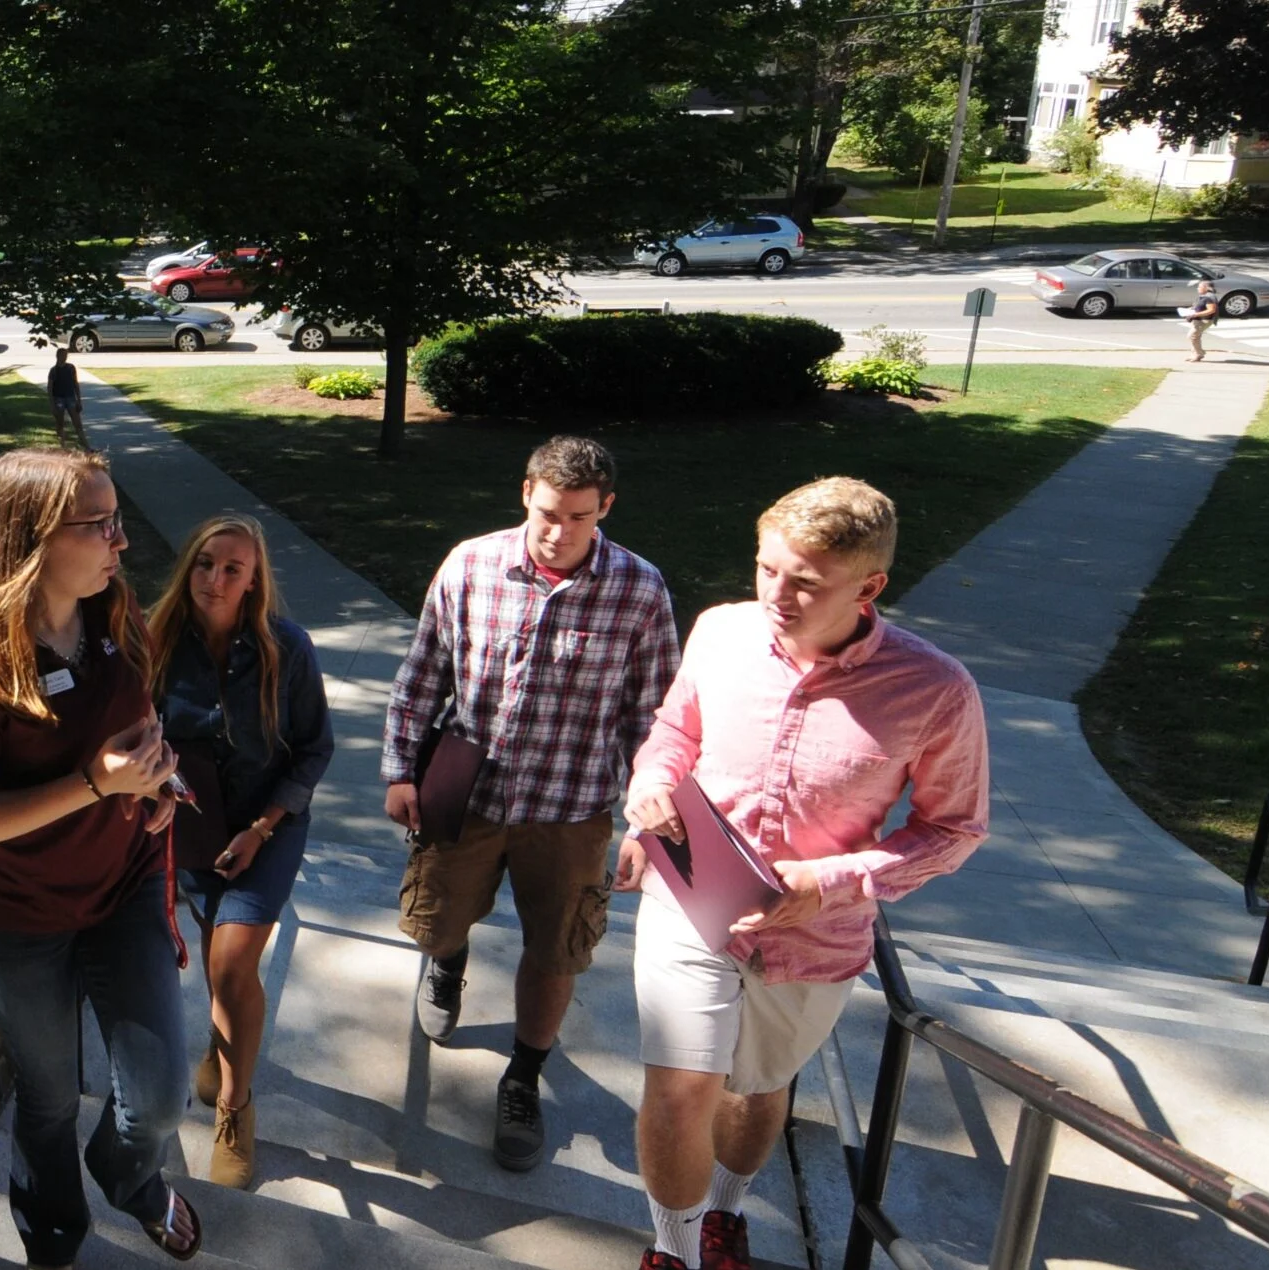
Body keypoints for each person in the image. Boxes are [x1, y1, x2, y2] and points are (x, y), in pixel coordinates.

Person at [618, 477, 989, 1270]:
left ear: (870, 586)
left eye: (804, 582)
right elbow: (673, 732)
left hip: (813, 938)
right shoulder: (720, 632)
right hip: (688, 900)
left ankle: (724, 1210)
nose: (775, 595)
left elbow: (954, 830)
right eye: (765, 569)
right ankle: (673, 1251)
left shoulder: (935, 690)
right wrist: (648, 786)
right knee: (681, 1087)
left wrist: (827, 882)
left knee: (754, 1090)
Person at [0, 447, 200, 1269]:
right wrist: (93, 782)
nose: (121, 542)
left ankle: (130, 1179)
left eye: (116, 521)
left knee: (155, 1100)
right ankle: (52, 1233)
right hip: (20, 919)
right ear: (35, 537)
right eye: (100, 524)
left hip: (124, 891)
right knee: (46, 1098)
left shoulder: (115, 614)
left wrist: (154, 782)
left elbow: (138, 729)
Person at [381, 434, 680, 1173]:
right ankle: (448, 963)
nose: (556, 531)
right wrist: (399, 770)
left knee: (558, 949)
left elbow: (656, 718)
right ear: (525, 493)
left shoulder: (639, 590)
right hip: (467, 790)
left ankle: (522, 1076)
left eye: (576, 517)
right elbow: (423, 674)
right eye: (547, 512)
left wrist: (647, 818)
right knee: (433, 920)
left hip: (570, 807)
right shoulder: (470, 563)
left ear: (604, 508)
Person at [149, 514, 334, 1189]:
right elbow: (133, 732)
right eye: (204, 562)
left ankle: (234, 1106)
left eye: (232, 568)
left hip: (268, 825)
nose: (215, 578)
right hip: (192, 825)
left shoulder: (287, 648)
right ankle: (219, 1045)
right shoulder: (155, 641)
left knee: (230, 963)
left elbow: (315, 746)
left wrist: (262, 825)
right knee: (212, 950)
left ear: (255, 580)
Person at [48, 348, 87, 448]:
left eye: (66, 355)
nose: (64, 357)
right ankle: (63, 446)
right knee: (60, 423)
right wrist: (52, 404)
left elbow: (75, 384)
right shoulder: (54, 371)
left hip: (71, 398)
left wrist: (79, 400)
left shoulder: (71, 368)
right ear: (57, 356)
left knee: (78, 423)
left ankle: (86, 447)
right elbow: (50, 388)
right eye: (62, 355)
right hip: (58, 399)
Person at [1184, 279, 1219, 362]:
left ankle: (1199, 353)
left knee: (1192, 336)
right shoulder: (1204, 295)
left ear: (1206, 288)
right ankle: (1195, 354)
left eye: (1199, 287)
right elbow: (1199, 306)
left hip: (1204, 320)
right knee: (1195, 337)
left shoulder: (1209, 297)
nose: (1197, 288)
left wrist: (1195, 314)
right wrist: (1190, 310)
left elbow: (1211, 310)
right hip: (1197, 319)